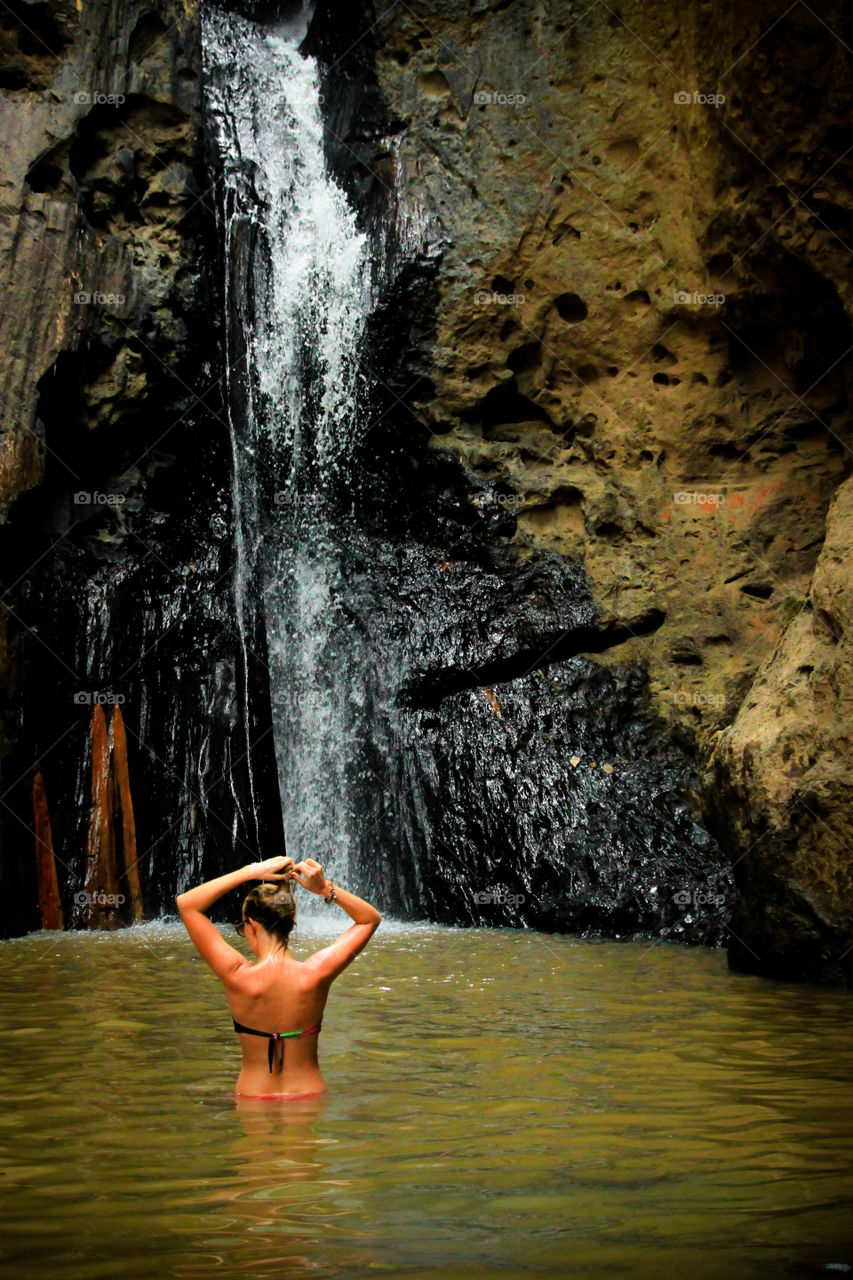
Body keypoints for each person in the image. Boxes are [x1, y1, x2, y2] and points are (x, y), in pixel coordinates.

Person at [176, 855, 381, 1100]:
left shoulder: (236, 975)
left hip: (254, 1095)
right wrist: (325, 889)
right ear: (291, 925)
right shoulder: (317, 974)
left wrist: (249, 871)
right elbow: (369, 919)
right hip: (307, 1094)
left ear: (250, 924)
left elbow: (187, 904)